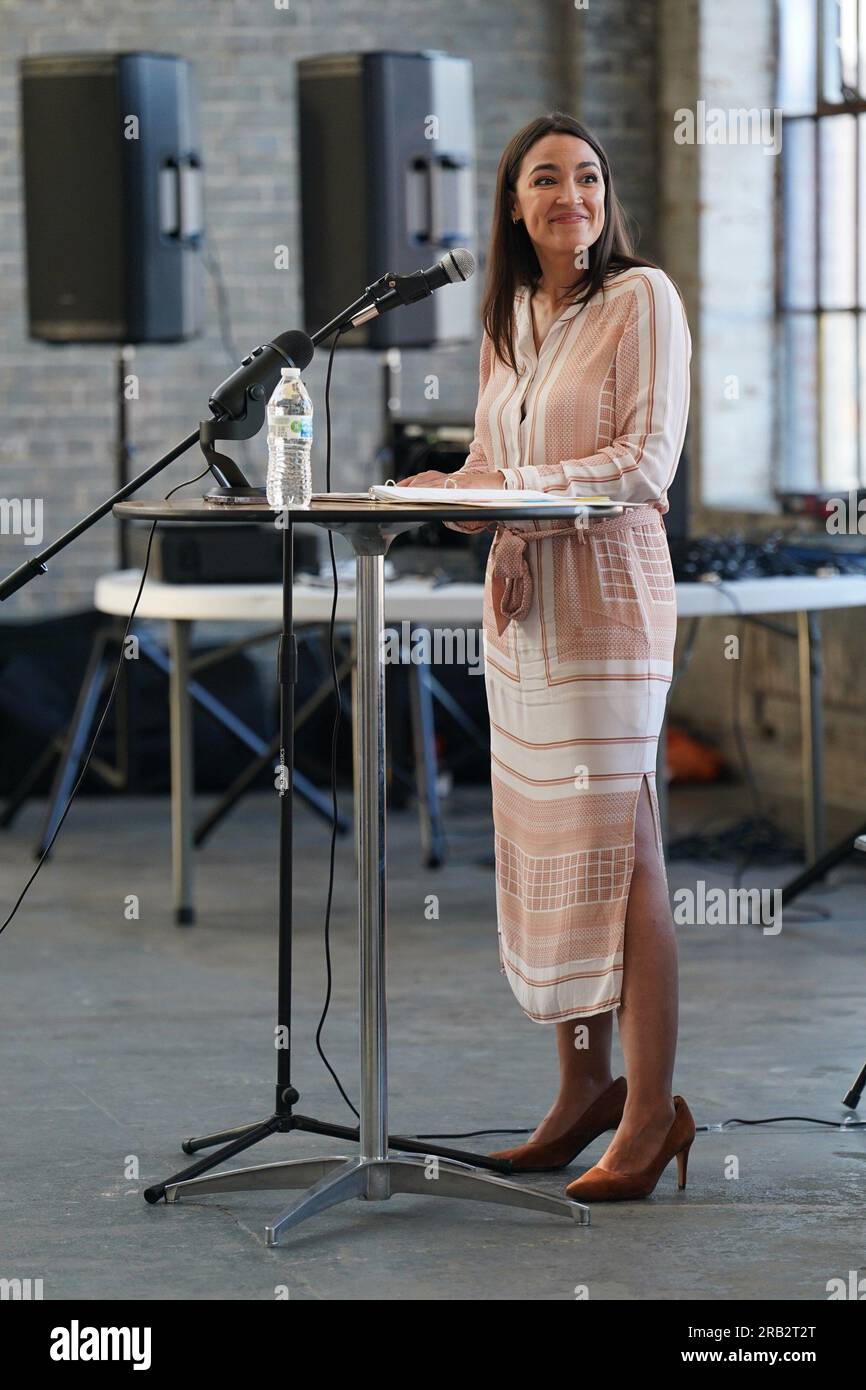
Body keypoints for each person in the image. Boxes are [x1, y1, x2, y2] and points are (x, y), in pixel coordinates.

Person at [402, 112, 695, 1202]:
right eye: (544, 179)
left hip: (607, 597)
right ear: (513, 206)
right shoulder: (510, 318)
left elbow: (640, 460)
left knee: (621, 858)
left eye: (586, 176)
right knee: (547, 849)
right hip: (521, 607)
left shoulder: (641, 299)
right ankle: (582, 1090)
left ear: (603, 198)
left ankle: (653, 1113)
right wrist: (447, 498)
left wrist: (509, 508)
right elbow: (492, 460)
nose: (569, 193)